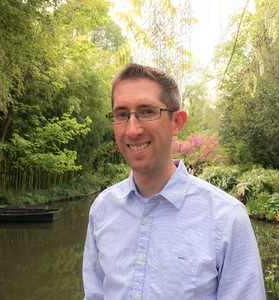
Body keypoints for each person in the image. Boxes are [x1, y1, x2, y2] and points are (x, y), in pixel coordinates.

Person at [82, 63, 266, 299]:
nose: (132, 129)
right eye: (121, 115)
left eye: (147, 111)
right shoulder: (102, 209)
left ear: (177, 122)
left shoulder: (227, 219)